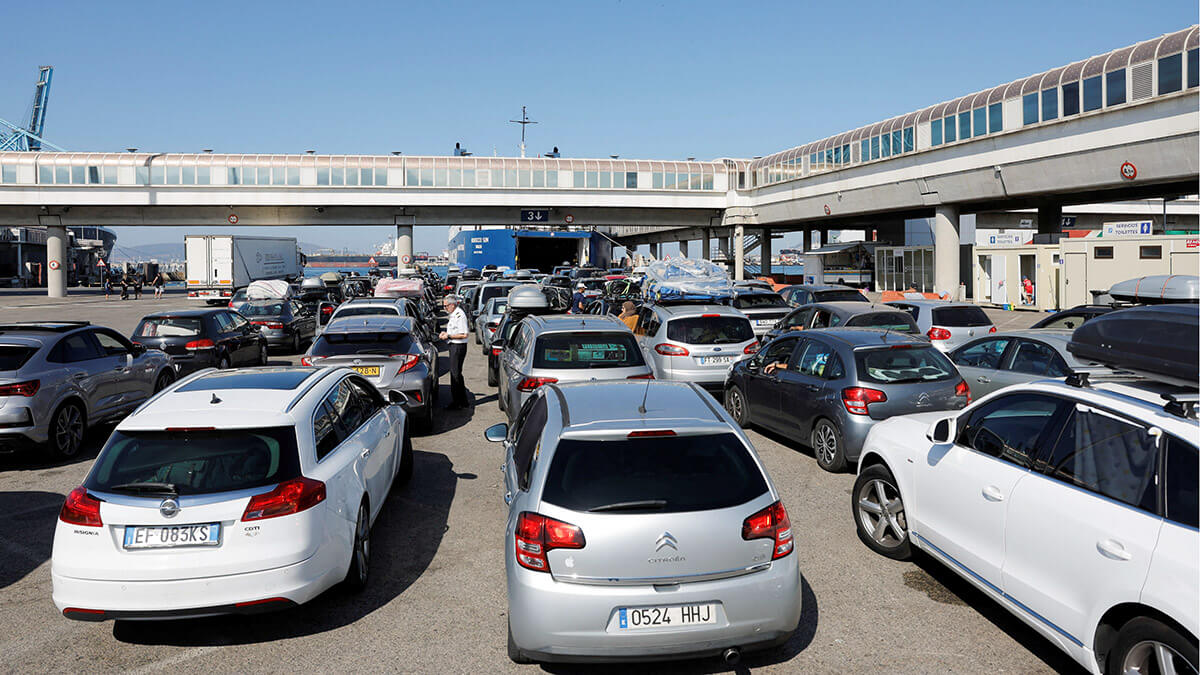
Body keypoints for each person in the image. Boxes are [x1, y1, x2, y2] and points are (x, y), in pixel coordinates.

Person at [440, 294, 471, 410]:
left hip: (458, 347)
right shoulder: (453, 315)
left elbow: (464, 334)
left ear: (452, 305)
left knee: (455, 374)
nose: (445, 308)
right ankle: (462, 400)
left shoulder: (459, 315)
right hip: (454, 345)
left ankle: (457, 402)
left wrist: (448, 335)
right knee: (456, 373)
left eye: (446, 306)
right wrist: (446, 335)